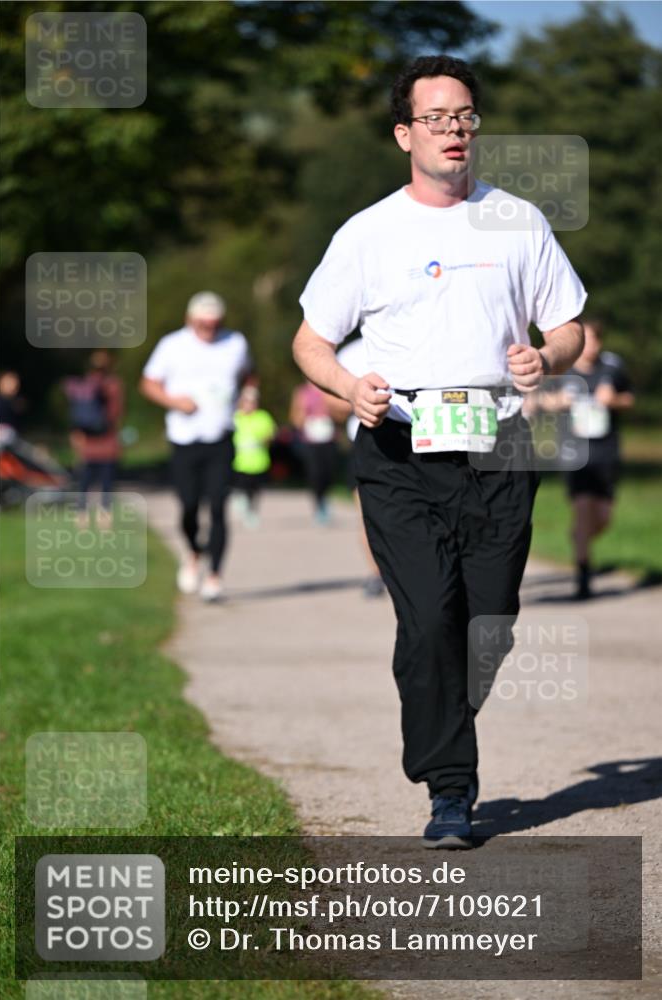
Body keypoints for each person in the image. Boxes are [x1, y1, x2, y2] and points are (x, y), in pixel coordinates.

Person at [292, 55, 586, 848]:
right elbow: (310, 342)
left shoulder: (516, 220)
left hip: (499, 448)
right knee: (427, 622)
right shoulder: (368, 232)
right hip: (398, 453)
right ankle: (449, 789)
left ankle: (442, 718)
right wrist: (349, 387)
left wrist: (545, 359)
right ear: (403, 133)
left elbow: (567, 327)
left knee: (486, 621)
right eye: (435, 118)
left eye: (464, 117)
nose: (453, 131)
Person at [140, 291, 250, 602]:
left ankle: (215, 576)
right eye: (203, 324)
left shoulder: (236, 343)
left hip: (222, 436)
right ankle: (193, 552)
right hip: (184, 437)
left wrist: (246, 396)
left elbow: (247, 375)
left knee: (217, 507)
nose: (209, 330)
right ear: (190, 320)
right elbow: (148, 383)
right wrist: (174, 402)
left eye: (214, 324)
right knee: (188, 505)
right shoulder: (172, 345)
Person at [529, 318, 634, 599]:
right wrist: (557, 402)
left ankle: (580, 538)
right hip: (575, 452)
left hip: (606, 450)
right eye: (584, 341)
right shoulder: (564, 371)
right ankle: (583, 576)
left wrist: (614, 401)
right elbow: (536, 402)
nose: (589, 347)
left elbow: (630, 399)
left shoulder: (613, 367)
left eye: (594, 341)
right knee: (584, 507)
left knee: (602, 518)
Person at [324, 336, 386, 597]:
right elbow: (333, 407)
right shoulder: (351, 354)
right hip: (364, 442)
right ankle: (376, 573)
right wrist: (355, 398)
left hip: (416, 440)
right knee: (368, 514)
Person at [64, 350, 124, 529]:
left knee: (85, 481)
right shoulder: (113, 385)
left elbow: (75, 412)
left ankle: (81, 514)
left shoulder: (83, 385)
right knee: (106, 482)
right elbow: (116, 413)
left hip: (86, 443)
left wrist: (75, 434)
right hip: (107, 442)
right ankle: (104, 517)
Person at [289, 379, 338, 524]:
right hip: (310, 440)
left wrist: (329, 405)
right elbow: (295, 419)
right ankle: (319, 504)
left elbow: (340, 414)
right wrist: (303, 412)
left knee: (327, 472)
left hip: (328, 438)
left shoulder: (329, 388)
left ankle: (325, 497)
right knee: (315, 473)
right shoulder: (302, 391)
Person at [232, 384, 277, 527]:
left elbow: (270, 434)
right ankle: (243, 505)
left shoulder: (263, 417)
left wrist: (264, 439)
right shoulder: (235, 417)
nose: (250, 404)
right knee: (241, 486)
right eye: (247, 401)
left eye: (252, 401)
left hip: (258, 461)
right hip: (239, 461)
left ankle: (252, 512)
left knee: (255, 490)